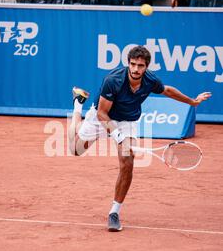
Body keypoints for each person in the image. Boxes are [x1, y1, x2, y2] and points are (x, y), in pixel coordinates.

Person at [68, 46, 211, 232]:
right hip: (101, 117)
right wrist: (116, 135)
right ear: (128, 63)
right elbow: (103, 113)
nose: (136, 69)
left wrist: (192, 101)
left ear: (146, 67)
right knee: (75, 150)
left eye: (140, 66)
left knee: (127, 161)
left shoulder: (150, 80)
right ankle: (78, 105)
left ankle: (114, 212)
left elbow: (167, 90)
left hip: (127, 120)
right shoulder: (113, 81)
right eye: (133, 64)